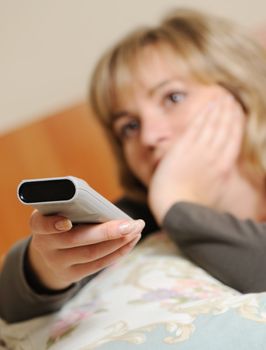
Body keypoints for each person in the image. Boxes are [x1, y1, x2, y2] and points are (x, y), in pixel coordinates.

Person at [1, 8, 266, 324]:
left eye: (173, 98)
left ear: (242, 91)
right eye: (129, 126)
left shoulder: (167, 205)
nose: (150, 136)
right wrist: (44, 267)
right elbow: (11, 304)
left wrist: (177, 203)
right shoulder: (140, 218)